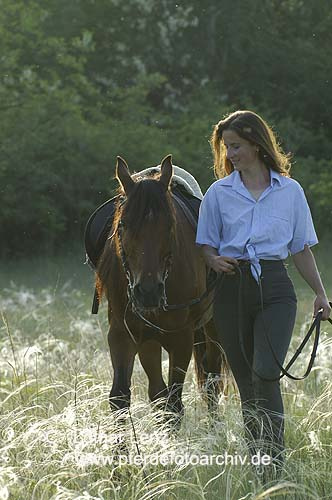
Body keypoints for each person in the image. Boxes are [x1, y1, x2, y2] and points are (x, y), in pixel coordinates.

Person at [196, 110, 331, 474]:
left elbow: (301, 248)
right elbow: (205, 245)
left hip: (275, 286)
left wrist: (320, 294)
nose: (231, 155)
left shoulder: (290, 191)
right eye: (227, 148)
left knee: (266, 371)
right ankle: (259, 465)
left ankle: (275, 464)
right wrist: (212, 260)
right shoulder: (218, 193)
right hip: (231, 287)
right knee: (245, 380)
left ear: (256, 143)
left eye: (236, 146)